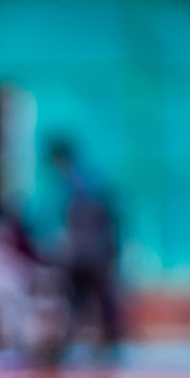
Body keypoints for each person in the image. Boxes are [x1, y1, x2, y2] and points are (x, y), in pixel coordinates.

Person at [47, 139, 123, 349]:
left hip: (88, 250)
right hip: (92, 248)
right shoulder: (85, 176)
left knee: (89, 295)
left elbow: (85, 216)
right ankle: (94, 340)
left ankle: (95, 340)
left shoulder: (75, 180)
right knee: (89, 295)